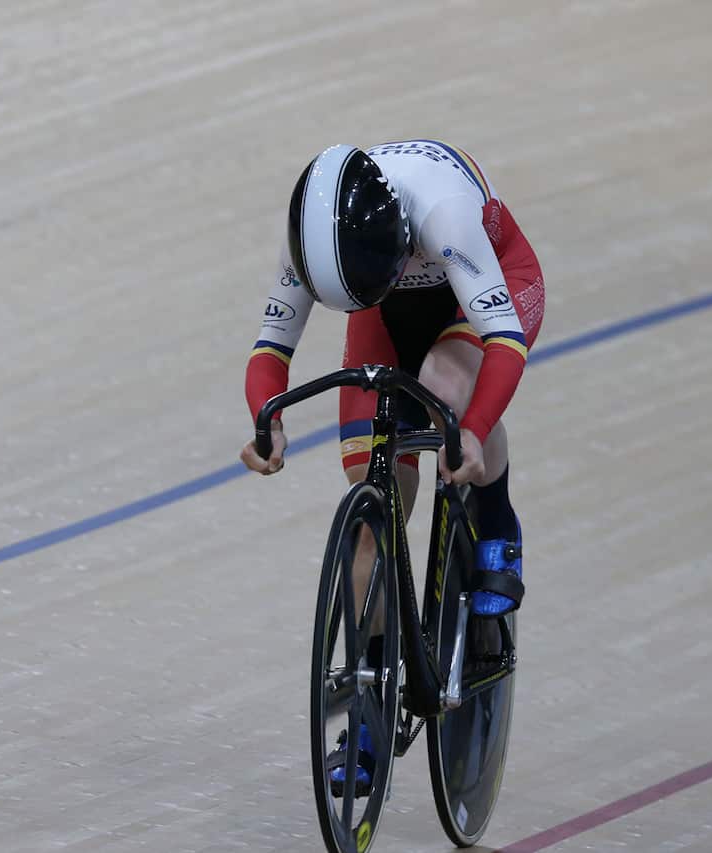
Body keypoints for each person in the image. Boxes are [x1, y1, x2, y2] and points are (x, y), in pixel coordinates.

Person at [239, 139, 544, 794]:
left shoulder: (443, 211)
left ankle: (497, 520)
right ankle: (368, 714)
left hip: (489, 287)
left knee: (446, 391)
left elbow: (505, 343)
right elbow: (271, 349)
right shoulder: (309, 238)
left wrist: (473, 432)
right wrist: (268, 421)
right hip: (381, 309)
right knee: (376, 501)